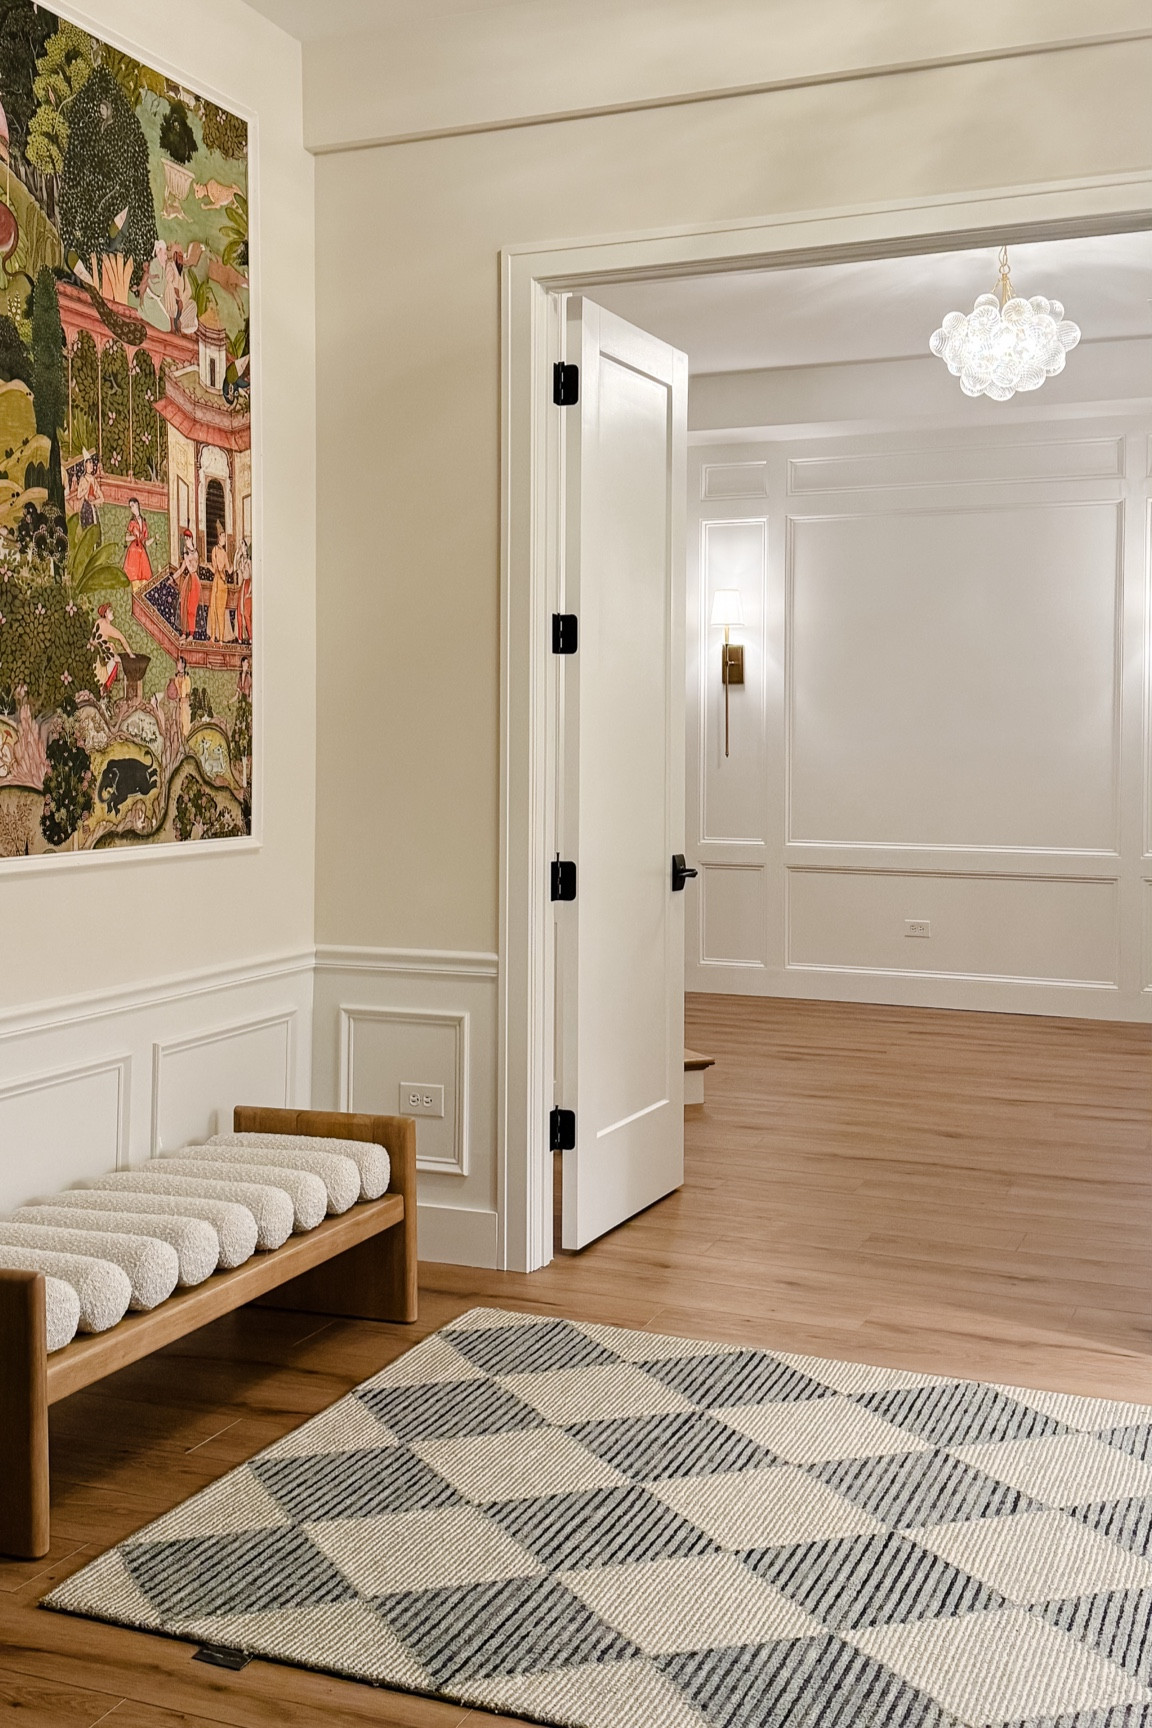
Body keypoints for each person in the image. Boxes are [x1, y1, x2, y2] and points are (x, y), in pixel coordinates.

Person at [91, 604, 132, 697]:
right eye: (110, 611)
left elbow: (94, 640)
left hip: (95, 654)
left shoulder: (99, 621)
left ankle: (104, 688)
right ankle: (104, 688)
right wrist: (130, 654)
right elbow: (122, 638)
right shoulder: (107, 627)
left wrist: (108, 645)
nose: (112, 612)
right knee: (117, 661)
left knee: (115, 659)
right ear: (105, 613)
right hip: (99, 662)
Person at [206, 520, 233, 643]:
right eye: (222, 537)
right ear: (218, 538)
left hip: (223, 584)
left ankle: (221, 638)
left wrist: (237, 560)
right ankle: (213, 636)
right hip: (216, 581)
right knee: (213, 610)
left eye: (225, 537)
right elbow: (215, 568)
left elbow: (230, 570)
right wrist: (207, 566)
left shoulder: (225, 553)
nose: (224, 539)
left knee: (221, 611)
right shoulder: (215, 550)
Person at [123, 498, 153, 586]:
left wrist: (154, 538)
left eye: (132, 506)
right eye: (130, 507)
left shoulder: (144, 521)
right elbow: (126, 538)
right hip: (134, 551)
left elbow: (146, 542)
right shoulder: (132, 522)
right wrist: (135, 536)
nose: (132, 508)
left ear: (137, 505)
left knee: (144, 580)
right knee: (135, 580)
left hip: (142, 551)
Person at [176, 530, 201, 637]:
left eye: (187, 538)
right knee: (183, 607)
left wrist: (186, 557)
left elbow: (192, 568)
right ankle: (183, 633)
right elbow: (181, 570)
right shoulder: (186, 554)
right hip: (187, 581)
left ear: (191, 539)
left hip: (194, 580)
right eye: (184, 539)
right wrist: (172, 578)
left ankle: (191, 634)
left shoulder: (195, 553)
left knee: (191, 609)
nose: (186, 541)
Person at [74, 454, 104, 532]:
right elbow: (78, 495)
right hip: (86, 508)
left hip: (93, 507)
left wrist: (94, 501)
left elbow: (102, 498)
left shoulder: (93, 479)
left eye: (92, 463)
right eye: (89, 463)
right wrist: (86, 489)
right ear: (85, 465)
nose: (91, 465)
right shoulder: (83, 479)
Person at [166, 654, 192, 739]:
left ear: (183, 665)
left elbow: (188, 693)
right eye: (177, 663)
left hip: (185, 705)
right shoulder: (176, 678)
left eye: (179, 663)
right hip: (177, 704)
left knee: (185, 723)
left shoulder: (187, 678)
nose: (177, 664)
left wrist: (184, 699)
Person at [233, 537, 252, 643]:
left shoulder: (249, 561)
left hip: (248, 585)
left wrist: (250, 591)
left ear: (246, 547)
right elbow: (235, 567)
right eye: (241, 546)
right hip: (243, 585)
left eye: (243, 545)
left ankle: (251, 637)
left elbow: (253, 576)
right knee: (239, 612)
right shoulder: (241, 561)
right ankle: (239, 637)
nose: (242, 547)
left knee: (246, 614)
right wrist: (237, 552)